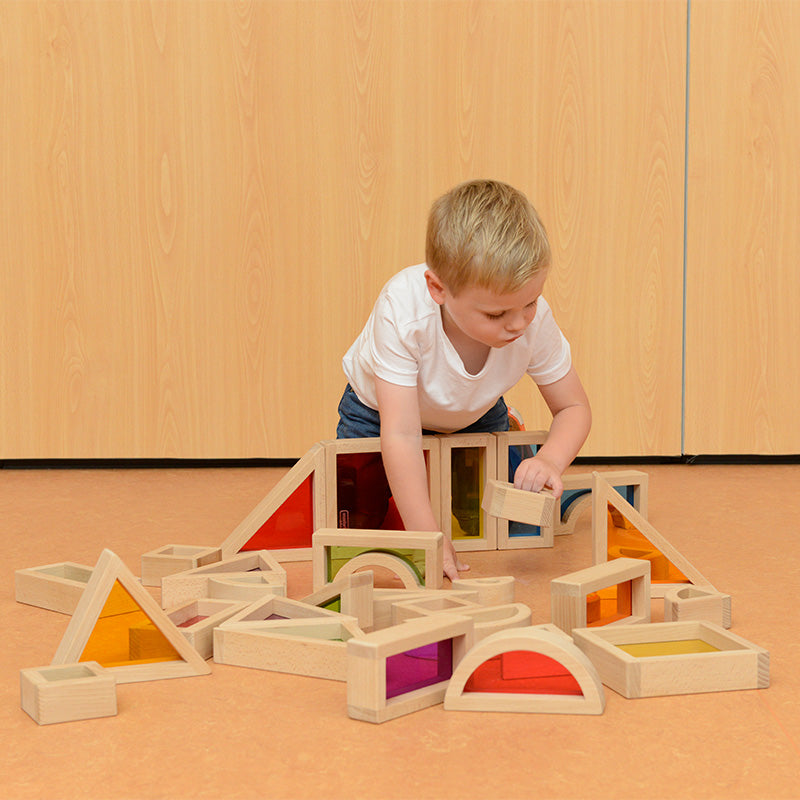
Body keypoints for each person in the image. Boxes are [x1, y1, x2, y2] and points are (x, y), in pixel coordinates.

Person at [336, 179, 591, 581]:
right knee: (358, 519)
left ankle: (509, 426)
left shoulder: (534, 321)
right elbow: (400, 434)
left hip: (476, 413)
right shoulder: (403, 311)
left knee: (503, 518)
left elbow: (573, 407)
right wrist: (427, 536)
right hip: (378, 414)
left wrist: (549, 460)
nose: (519, 324)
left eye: (530, 302)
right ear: (438, 289)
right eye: (496, 314)